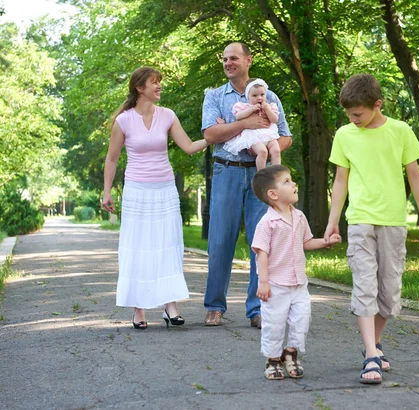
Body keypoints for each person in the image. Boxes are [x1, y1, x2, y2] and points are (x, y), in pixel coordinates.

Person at [324, 74, 419, 384]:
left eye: (358, 114)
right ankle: (371, 354)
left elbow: (415, 175)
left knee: (388, 291)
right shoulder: (345, 135)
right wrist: (333, 220)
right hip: (359, 219)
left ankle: (374, 343)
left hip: (394, 221)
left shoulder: (400, 131)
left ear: (377, 105)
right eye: (349, 115)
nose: (353, 119)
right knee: (364, 285)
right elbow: (341, 180)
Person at [102, 66, 208, 329]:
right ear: (140, 88)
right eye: (154, 83)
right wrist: (106, 192)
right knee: (139, 246)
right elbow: (112, 159)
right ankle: (139, 309)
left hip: (165, 190)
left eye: (159, 82)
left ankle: (170, 306)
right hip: (137, 191)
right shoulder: (123, 121)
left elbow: (189, 147)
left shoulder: (168, 116)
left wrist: (215, 136)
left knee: (168, 244)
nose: (159, 86)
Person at [201, 42, 292, 328]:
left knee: (260, 243)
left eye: (234, 58)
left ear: (248, 60)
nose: (228, 63)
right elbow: (211, 134)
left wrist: (269, 142)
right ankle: (215, 306)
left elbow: (285, 135)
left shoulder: (269, 94)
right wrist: (245, 124)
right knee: (219, 242)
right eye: (225, 59)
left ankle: (257, 310)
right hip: (226, 171)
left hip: (260, 173)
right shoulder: (215, 96)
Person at [251, 165, 342, 380]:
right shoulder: (267, 223)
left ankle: (290, 354)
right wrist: (263, 282)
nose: (294, 184)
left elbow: (306, 242)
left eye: (291, 180)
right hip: (275, 284)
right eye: (286, 181)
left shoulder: (299, 217)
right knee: (274, 323)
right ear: (272, 194)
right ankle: (273, 360)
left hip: (299, 283)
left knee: (302, 320)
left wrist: (325, 242)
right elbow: (261, 253)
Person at [223, 78, 281, 170]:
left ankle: (277, 174)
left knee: (276, 150)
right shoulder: (244, 107)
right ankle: (261, 174)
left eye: (262, 94)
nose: (259, 98)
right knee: (262, 152)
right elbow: (238, 116)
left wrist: (267, 109)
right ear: (248, 97)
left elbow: (274, 120)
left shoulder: (270, 106)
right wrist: (251, 109)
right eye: (254, 95)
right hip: (254, 136)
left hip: (269, 135)